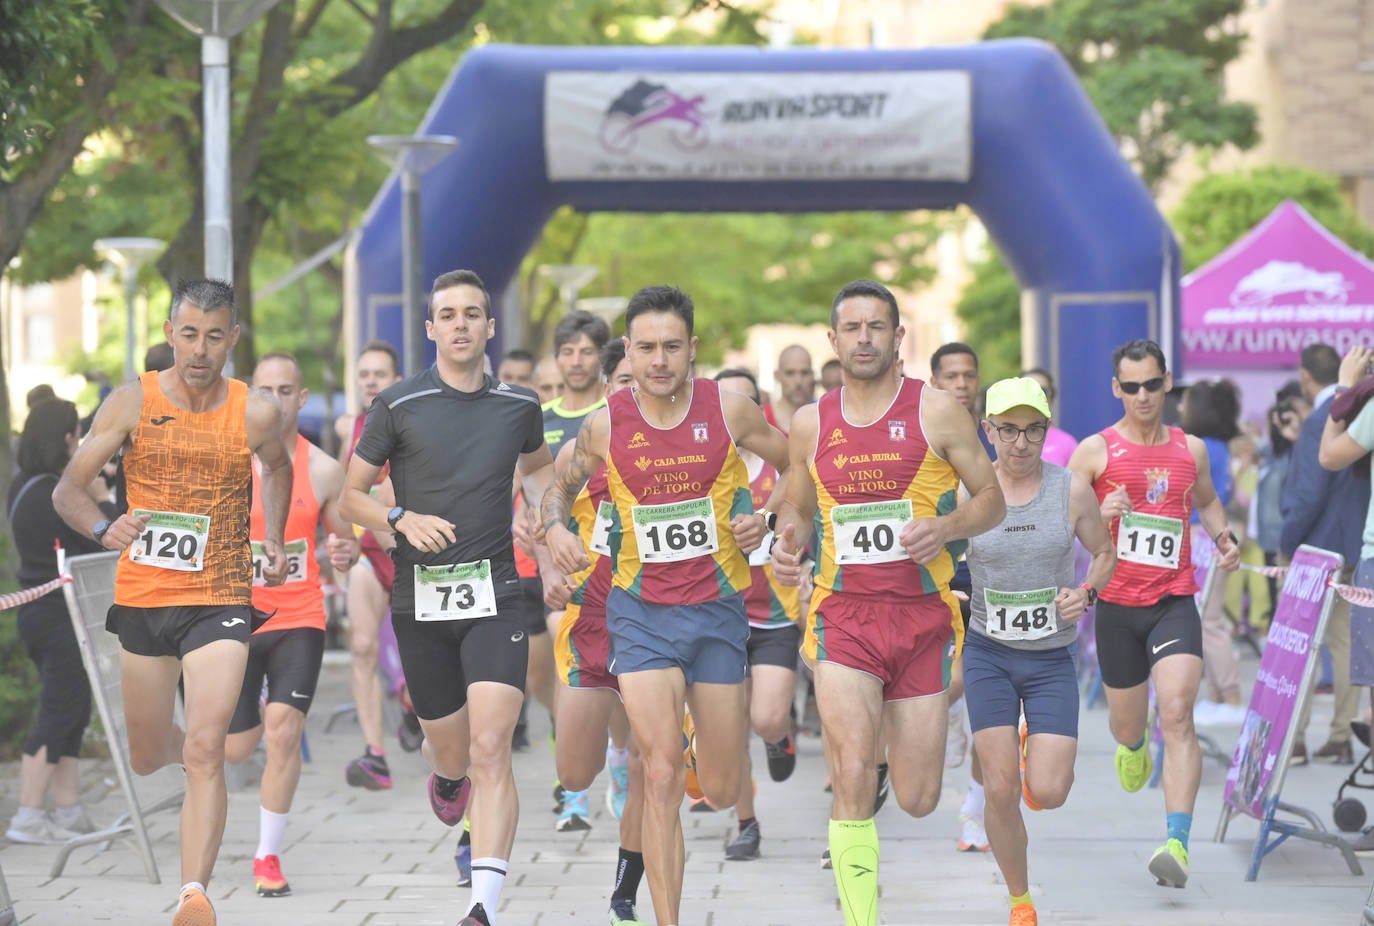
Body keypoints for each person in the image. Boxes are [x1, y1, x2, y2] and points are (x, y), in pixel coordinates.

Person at [542, 284, 786, 926]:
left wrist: (768, 517)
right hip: (638, 614)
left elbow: (801, 468)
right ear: (628, 350)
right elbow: (556, 493)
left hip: (716, 616)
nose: (658, 360)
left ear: (692, 349)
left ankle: (718, 761)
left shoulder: (730, 411)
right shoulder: (604, 424)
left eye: (671, 347)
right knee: (659, 770)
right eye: (645, 347)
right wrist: (558, 530)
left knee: (725, 785)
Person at [53, 278, 293, 926]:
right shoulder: (131, 403)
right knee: (150, 753)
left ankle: (195, 894)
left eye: (214, 336)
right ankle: (181, 750)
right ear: (170, 334)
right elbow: (67, 491)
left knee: (206, 748)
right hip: (145, 597)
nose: (200, 348)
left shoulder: (256, 411)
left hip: (220, 594)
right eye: (189, 334)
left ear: (232, 341)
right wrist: (104, 528)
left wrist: (271, 536)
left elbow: (277, 466)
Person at [770, 280, 1005, 926]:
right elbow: (793, 501)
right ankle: (860, 916)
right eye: (853, 328)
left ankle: (882, 774)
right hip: (842, 615)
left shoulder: (937, 412)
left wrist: (946, 528)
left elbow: (991, 498)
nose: (865, 338)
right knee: (847, 771)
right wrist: (784, 542)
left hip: (923, 619)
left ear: (899, 338)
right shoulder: (810, 422)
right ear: (834, 340)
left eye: (878, 327)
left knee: (920, 795)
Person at [339, 269, 556, 926]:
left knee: (494, 747)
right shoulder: (398, 406)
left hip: (496, 594)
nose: (460, 324)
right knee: (455, 752)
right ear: (430, 329)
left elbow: (540, 469)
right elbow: (348, 498)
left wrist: (549, 519)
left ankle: (482, 907)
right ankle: (449, 781)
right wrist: (399, 518)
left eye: (473, 314)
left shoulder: (518, 406)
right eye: (448, 315)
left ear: (490, 327)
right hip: (421, 603)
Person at [1067, 338, 1240, 890]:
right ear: (1117, 389)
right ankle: (1134, 744)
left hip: (1173, 601)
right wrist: (1098, 508)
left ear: (1167, 383)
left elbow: (1208, 499)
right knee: (1126, 725)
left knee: (1179, 714)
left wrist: (1223, 535)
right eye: (1131, 386)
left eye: (1152, 384)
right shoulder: (1095, 451)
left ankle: (1177, 843)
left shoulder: (1191, 449)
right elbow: (1063, 519)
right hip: (1117, 607)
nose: (1143, 396)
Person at [964, 377, 1116, 926]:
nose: (1021, 443)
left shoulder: (1072, 489)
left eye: (1032, 430)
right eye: (1009, 430)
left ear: (1046, 431)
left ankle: (1032, 746)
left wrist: (1086, 593)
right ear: (989, 430)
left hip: (1051, 657)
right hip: (989, 654)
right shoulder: (970, 493)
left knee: (1047, 792)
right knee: (1000, 787)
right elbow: (941, 556)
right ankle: (1020, 900)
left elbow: (1103, 552)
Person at [224, 352, 358, 897]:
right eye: (264, 389)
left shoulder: (324, 468)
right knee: (235, 748)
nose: (274, 399)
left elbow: (340, 536)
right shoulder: (229, 460)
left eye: (285, 390)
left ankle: (267, 855)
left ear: (301, 399)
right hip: (231, 617)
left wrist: (344, 550)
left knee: (284, 732)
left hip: (298, 616)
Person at [544, 339, 649, 924]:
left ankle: (624, 894)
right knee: (571, 773)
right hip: (591, 621)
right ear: (608, 389)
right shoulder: (587, 452)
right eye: (624, 381)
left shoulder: (686, 454)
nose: (635, 391)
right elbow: (550, 506)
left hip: (660, 622)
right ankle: (606, 757)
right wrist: (555, 571)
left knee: (648, 764)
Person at [5, 399, 112, 844]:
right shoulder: (58, 495)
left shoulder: (23, 486)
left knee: (72, 708)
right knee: (59, 709)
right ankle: (28, 814)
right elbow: (106, 535)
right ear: (67, 438)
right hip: (57, 614)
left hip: (43, 613)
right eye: (76, 434)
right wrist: (104, 498)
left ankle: (68, 809)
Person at [714, 368, 803, 862]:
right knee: (730, 727)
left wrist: (795, 557)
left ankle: (780, 737)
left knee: (766, 718)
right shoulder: (698, 464)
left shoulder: (780, 463)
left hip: (772, 616)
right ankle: (747, 823)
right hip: (717, 616)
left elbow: (805, 519)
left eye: (744, 401)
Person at [540, 310, 613, 830]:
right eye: (568, 351)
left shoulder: (621, 415)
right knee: (555, 675)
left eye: (588, 350)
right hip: (554, 565)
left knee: (611, 680)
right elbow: (535, 493)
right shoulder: (539, 417)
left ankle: (606, 773)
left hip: (618, 574)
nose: (577, 360)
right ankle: (573, 779)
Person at [1281, 343, 1368, 765]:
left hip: (1316, 546)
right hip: (1352, 543)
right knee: (1344, 642)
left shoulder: (1324, 418)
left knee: (1299, 644)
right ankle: (1340, 735)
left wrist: (1287, 541)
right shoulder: (1360, 408)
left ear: (1304, 375)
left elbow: (1310, 491)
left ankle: (1294, 737)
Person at [931, 339, 993, 852]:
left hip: (994, 581)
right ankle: (944, 715)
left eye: (969, 375)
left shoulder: (1001, 439)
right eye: (951, 375)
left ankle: (975, 808)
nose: (962, 384)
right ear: (935, 383)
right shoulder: (923, 440)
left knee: (989, 709)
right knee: (951, 686)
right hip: (940, 578)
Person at [334, 341, 404, 789]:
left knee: (418, 672)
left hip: (410, 551)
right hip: (369, 558)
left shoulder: (412, 421)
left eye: (380, 374)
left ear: (396, 380)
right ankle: (375, 754)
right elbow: (345, 498)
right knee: (362, 648)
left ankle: (414, 712)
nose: (371, 382)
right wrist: (344, 546)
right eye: (364, 375)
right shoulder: (350, 429)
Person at [1177, 379, 1244, 724]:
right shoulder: (1219, 446)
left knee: (1210, 619)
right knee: (1208, 616)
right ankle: (1219, 694)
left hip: (1201, 536)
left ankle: (1230, 694)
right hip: (1209, 535)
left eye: (1185, 404)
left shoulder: (1200, 447)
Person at [1021, 368, 1078, 466]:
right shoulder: (1003, 436)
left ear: (1052, 397)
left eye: (1042, 391)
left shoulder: (1067, 443)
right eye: (1028, 390)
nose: (1035, 396)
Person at [763, 344, 815, 433]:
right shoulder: (762, 419)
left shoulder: (827, 419)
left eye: (805, 373)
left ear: (812, 375)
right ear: (777, 376)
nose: (798, 381)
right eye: (790, 373)